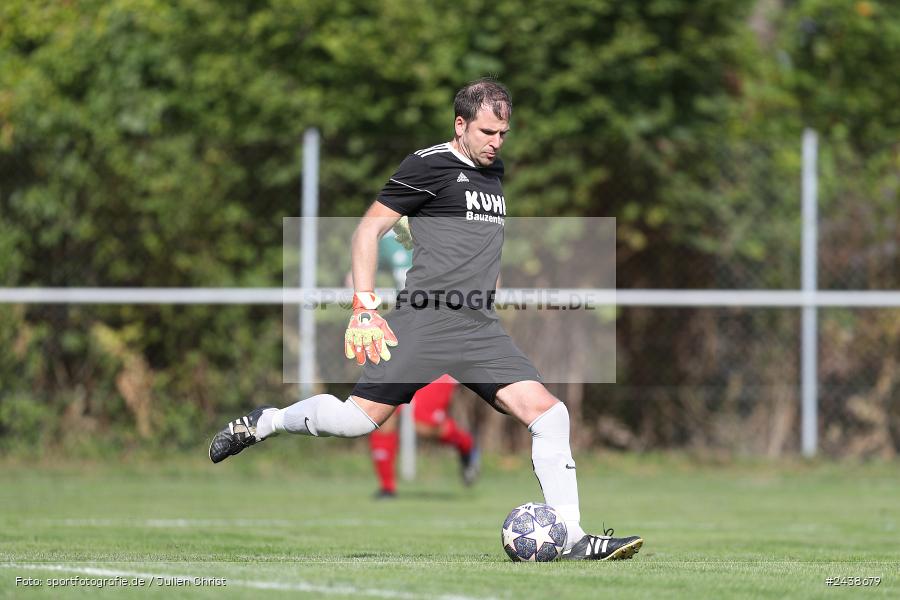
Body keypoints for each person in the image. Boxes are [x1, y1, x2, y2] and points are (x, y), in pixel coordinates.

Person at [209, 78, 643, 561]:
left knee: (550, 415)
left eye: (503, 133)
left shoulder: (493, 171)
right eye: (486, 132)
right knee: (358, 421)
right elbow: (368, 231)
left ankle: (575, 538)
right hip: (425, 321)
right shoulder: (428, 164)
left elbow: (478, 243)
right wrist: (364, 308)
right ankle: (266, 422)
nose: (496, 143)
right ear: (460, 125)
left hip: (477, 327)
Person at [370, 374, 479, 498]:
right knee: (382, 418)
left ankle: (466, 444)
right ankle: (387, 489)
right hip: (399, 367)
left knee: (423, 424)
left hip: (435, 366)